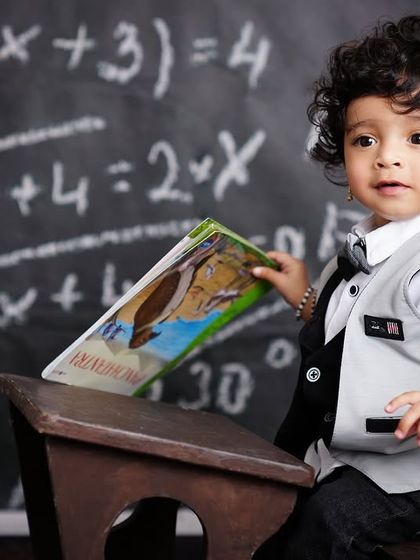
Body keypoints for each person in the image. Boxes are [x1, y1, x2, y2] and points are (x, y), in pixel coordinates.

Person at [252, 15, 420, 559]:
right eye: (365, 139)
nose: (388, 156)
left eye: (417, 137)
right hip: (339, 454)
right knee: (268, 513)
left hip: (405, 473)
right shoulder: (359, 252)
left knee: (329, 526)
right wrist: (306, 295)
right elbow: (351, 337)